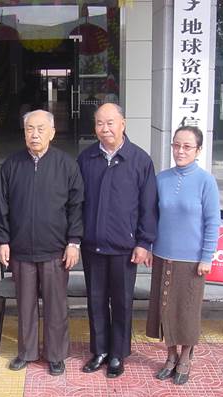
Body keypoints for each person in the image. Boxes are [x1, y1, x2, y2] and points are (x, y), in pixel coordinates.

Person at [0, 110, 84, 376]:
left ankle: (55, 354)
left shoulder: (66, 165)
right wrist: (3, 240)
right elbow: (1, 206)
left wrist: (74, 242)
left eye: (40, 129)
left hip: (55, 250)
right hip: (21, 249)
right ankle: (27, 352)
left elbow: (76, 207)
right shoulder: (11, 165)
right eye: (29, 129)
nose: (34, 135)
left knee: (56, 306)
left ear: (52, 133)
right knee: (25, 305)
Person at [77, 103, 157, 378]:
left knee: (122, 302)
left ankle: (117, 354)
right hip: (93, 245)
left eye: (110, 122)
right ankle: (100, 350)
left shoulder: (140, 160)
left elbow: (149, 206)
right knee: (96, 300)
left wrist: (144, 242)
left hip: (125, 248)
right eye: (99, 123)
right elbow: (77, 202)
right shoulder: (86, 158)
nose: (105, 128)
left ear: (123, 123)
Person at [146, 126, 220, 385]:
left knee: (187, 311)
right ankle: (170, 356)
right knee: (164, 308)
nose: (180, 151)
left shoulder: (206, 181)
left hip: (192, 261)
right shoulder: (161, 179)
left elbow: (212, 222)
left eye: (187, 146)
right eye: (176, 145)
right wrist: (149, 246)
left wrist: (207, 256)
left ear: (198, 150)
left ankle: (186, 357)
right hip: (163, 255)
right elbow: (152, 217)